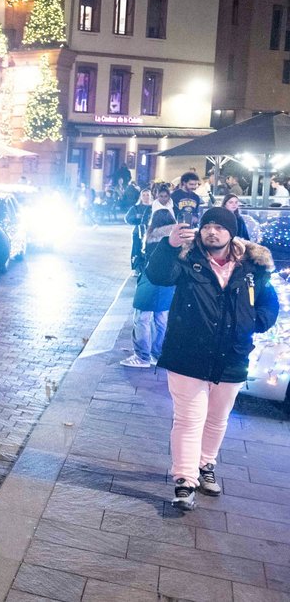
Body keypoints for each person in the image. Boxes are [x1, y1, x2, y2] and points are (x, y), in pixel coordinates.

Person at [146, 207, 278, 510]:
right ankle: (184, 480)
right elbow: (157, 275)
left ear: (231, 232)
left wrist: (252, 321)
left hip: (232, 355)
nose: (212, 232)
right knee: (189, 420)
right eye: (207, 226)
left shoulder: (252, 266)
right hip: (187, 353)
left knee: (218, 419)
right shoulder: (186, 258)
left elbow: (268, 302)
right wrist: (169, 246)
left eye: (219, 227)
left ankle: (205, 466)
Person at [120, 210, 176, 368]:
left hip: (151, 281)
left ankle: (142, 356)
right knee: (161, 319)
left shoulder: (153, 237)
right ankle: (157, 354)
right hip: (169, 283)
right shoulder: (177, 237)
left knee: (142, 318)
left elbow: (147, 260)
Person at [125, 188, 153, 273]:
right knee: (137, 250)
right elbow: (127, 218)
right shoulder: (135, 208)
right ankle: (137, 268)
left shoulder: (154, 207)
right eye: (144, 195)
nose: (146, 197)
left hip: (151, 233)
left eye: (147, 195)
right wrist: (135, 218)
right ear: (140, 197)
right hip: (138, 233)